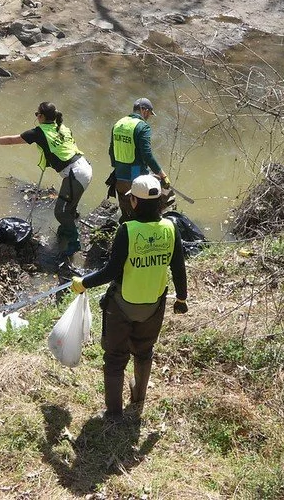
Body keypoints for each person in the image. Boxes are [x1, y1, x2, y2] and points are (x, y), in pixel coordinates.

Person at [70, 174, 188, 423]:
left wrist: (83, 283)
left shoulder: (128, 230)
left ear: (134, 201)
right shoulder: (170, 228)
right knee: (144, 352)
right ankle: (138, 397)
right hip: (154, 306)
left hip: (122, 305)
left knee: (114, 359)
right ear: (159, 203)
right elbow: (178, 267)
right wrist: (181, 298)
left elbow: (111, 271)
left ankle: (114, 414)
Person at [0, 102, 92, 258]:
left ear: (42, 116)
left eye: (37, 114)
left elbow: (12, 140)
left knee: (60, 212)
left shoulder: (39, 132)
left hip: (75, 173)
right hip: (84, 167)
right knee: (69, 208)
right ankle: (64, 232)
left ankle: (74, 242)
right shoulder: (62, 127)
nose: (36, 116)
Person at [110, 97, 170, 222]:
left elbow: (111, 151)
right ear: (144, 110)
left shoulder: (119, 123)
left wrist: (118, 168)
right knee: (164, 195)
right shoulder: (142, 127)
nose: (148, 116)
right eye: (148, 113)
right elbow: (147, 155)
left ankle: (124, 230)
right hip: (135, 175)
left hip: (119, 176)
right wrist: (162, 175)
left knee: (127, 211)